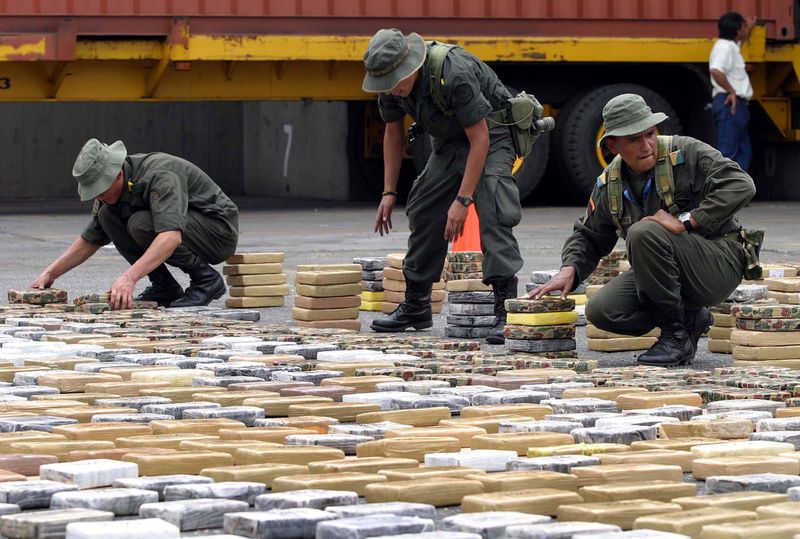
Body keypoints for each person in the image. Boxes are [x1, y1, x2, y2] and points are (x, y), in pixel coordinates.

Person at [529, 94, 756, 367]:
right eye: (634, 139)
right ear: (613, 145)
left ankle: (677, 335)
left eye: (649, 134)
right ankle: (690, 319)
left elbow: (741, 184)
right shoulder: (609, 184)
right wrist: (571, 268)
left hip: (718, 261)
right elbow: (589, 235)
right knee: (602, 311)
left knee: (642, 232)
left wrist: (688, 220)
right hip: (669, 273)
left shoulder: (685, 153)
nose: (646, 145)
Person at [362, 28, 527, 344]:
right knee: (424, 206)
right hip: (451, 139)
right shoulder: (390, 83)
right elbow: (393, 133)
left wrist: (463, 201)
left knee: (492, 201)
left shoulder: (452, 73)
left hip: (493, 133)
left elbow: (480, 139)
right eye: (386, 85)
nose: (392, 90)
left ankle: (505, 310)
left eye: (396, 82)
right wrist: (388, 191)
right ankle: (417, 305)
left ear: (411, 67)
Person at [31, 139, 239, 310]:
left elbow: (171, 236)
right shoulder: (108, 196)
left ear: (118, 174)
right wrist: (51, 273)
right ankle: (164, 287)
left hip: (217, 232)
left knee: (140, 224)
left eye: (101, 190)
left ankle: (206, 279)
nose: (99, 197)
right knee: (107, 217)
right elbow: (90, 239)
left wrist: (129, 279)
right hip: (190, 228)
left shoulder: (160, 174)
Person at [709, 11, 756, 171]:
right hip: (730, 104)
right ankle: (725, 194)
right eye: (743, 25)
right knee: (729, 154)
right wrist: (732, 91)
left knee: (743, 152)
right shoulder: (725, 48)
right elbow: (715, 70)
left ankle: (737, 193)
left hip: (735, 107)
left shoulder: (730, 47)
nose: (746, 28)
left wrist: (748, 29)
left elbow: (739, 42)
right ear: (737, 29)